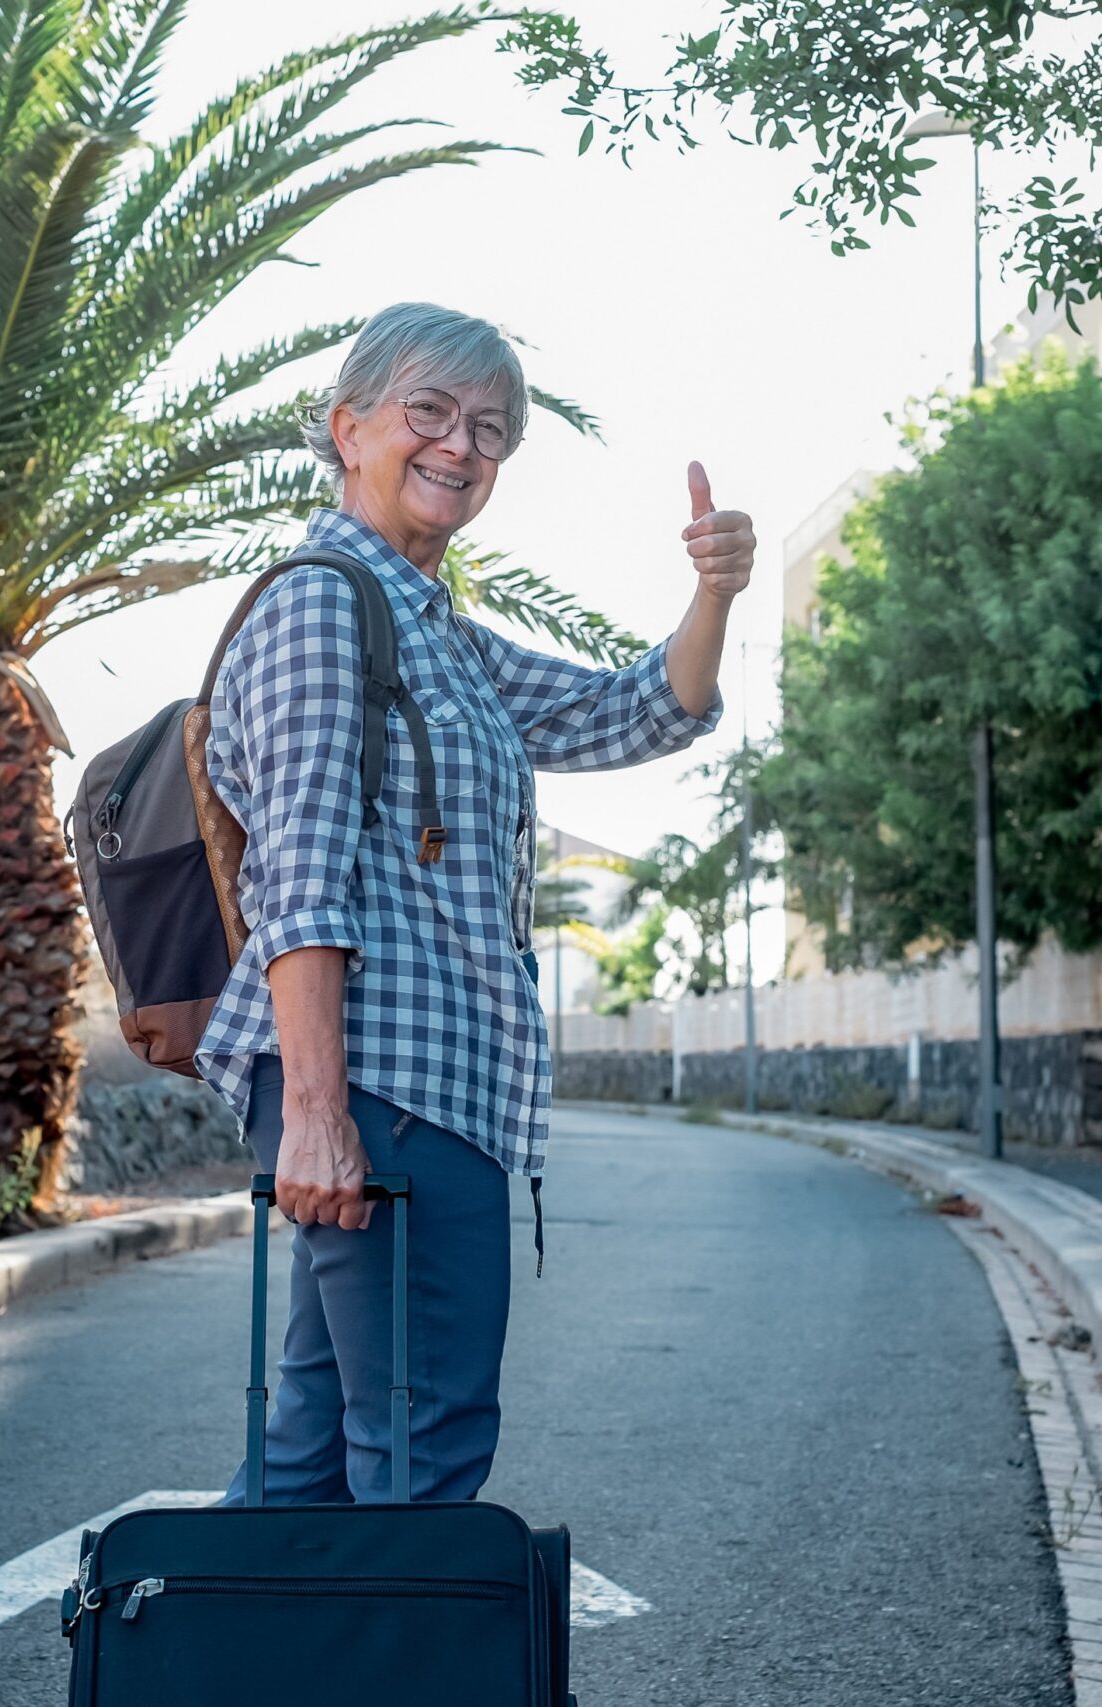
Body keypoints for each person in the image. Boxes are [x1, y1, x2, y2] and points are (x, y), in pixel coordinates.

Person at [195, 301, 752, 1505]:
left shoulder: (432, 628)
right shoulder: (323, 603)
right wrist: (315, 1112)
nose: (461, 446)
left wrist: (713, 591)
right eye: (430, 413)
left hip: (422, 1089)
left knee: (316, 1459)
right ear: (347, 429)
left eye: (491, 429)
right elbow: (298, 872)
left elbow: (632, 711)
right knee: (420, 1442)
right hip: (383, 1087)